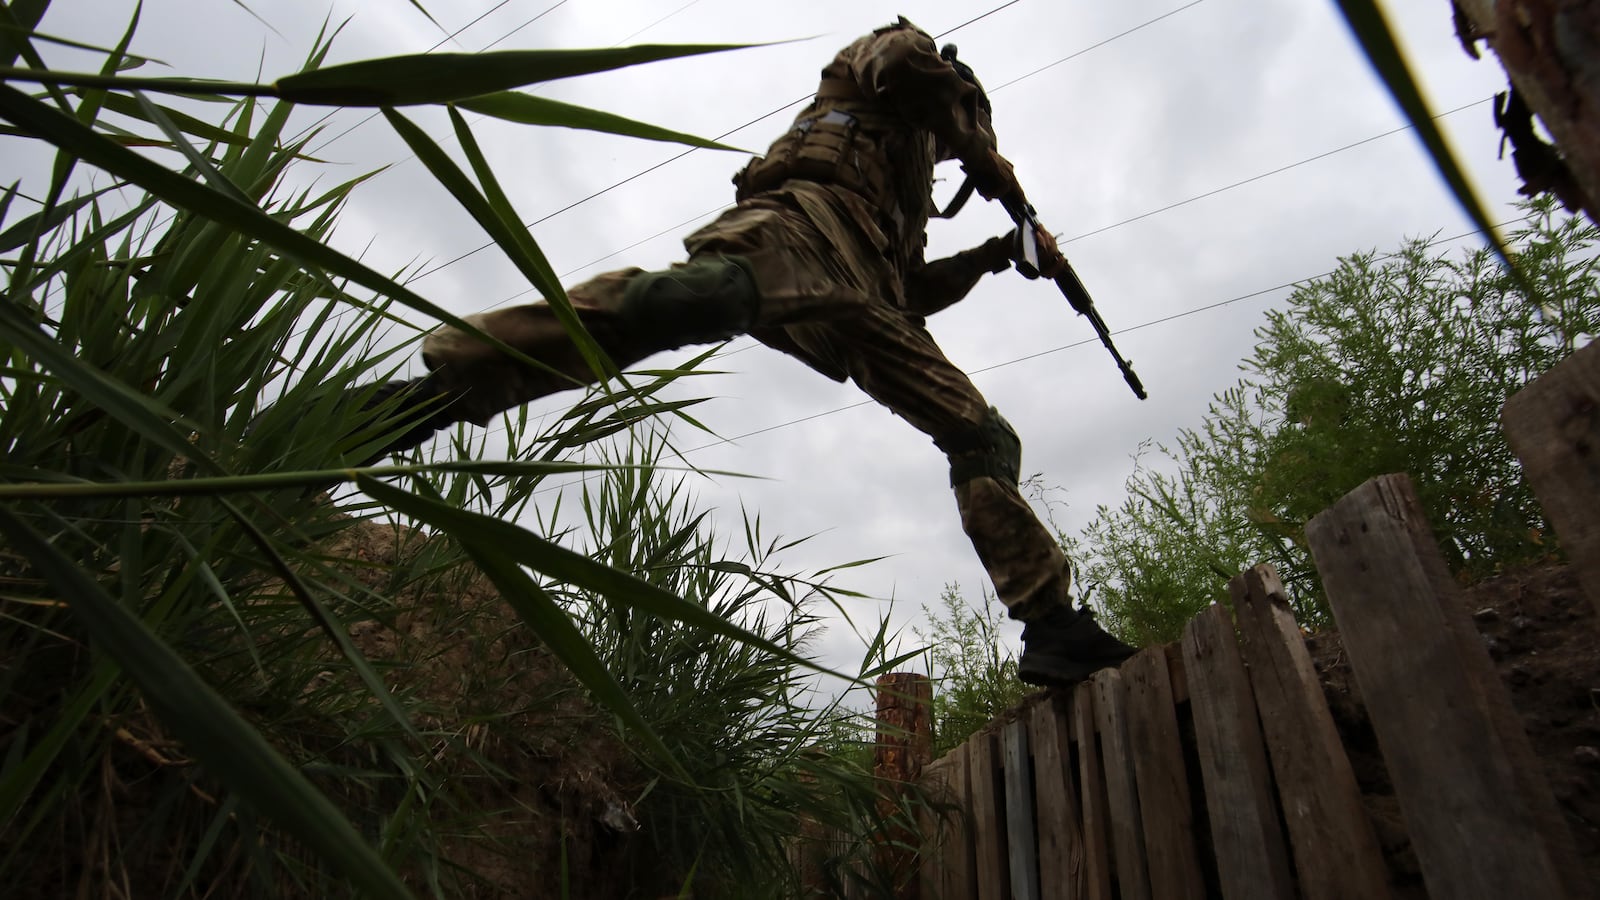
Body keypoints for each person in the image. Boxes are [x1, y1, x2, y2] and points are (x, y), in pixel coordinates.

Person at [349, 18, 1137, 687]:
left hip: (863, 294)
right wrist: (981, 151)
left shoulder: (905, 191)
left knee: (982, 434)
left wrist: (999, 253)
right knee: (694, 300)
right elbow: (903, 68)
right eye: (960, 131)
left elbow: (908, 292)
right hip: (803, 224)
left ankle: (1052, 625)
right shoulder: (894, 59)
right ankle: (444, 389)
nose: (947, 157)